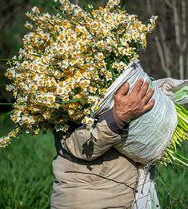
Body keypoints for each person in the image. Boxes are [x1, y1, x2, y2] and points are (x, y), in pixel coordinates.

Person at [51, 78, 155, 209]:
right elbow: (83, 146)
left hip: (123, 196)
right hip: (86, 200)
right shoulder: (67, 84)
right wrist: (119, 117)